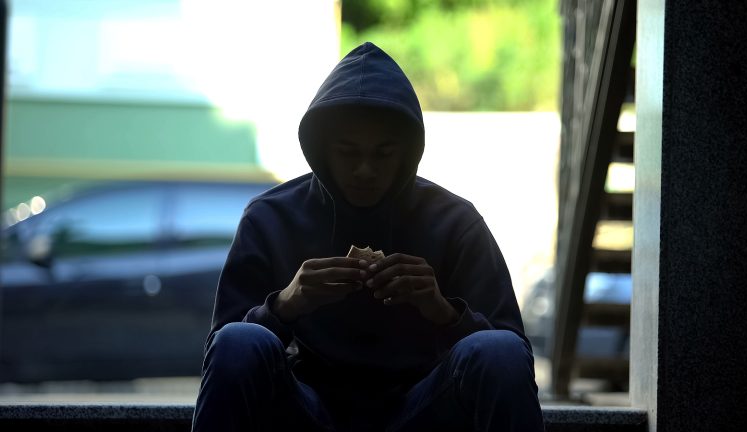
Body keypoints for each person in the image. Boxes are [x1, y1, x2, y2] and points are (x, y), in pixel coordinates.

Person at [191, 42, 545, 432]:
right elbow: (220, 354)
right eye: (348, 153)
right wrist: (285, 306)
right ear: (322, 150)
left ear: (408, 153)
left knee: (499, 349)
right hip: (306, 409)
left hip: (426, 408)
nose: (364, 170)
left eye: (383, 154)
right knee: (239, 340)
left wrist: (442, 311)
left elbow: (514, 354)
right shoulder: (270, 218)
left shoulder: (454, 222)